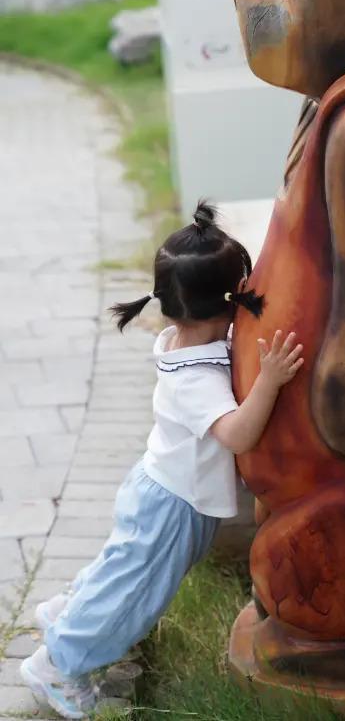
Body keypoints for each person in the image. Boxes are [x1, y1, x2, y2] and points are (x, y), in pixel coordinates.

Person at [20, 201, 304, 719]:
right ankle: (60, 662)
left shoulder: (182, 338)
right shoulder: (195, 380)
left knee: (123, 573)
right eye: (241, 292)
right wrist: (270, 381)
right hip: (172, 504)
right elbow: (237, 434)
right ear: (225, 304)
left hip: (166, 489)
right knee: (135, 592)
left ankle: (67, 613)